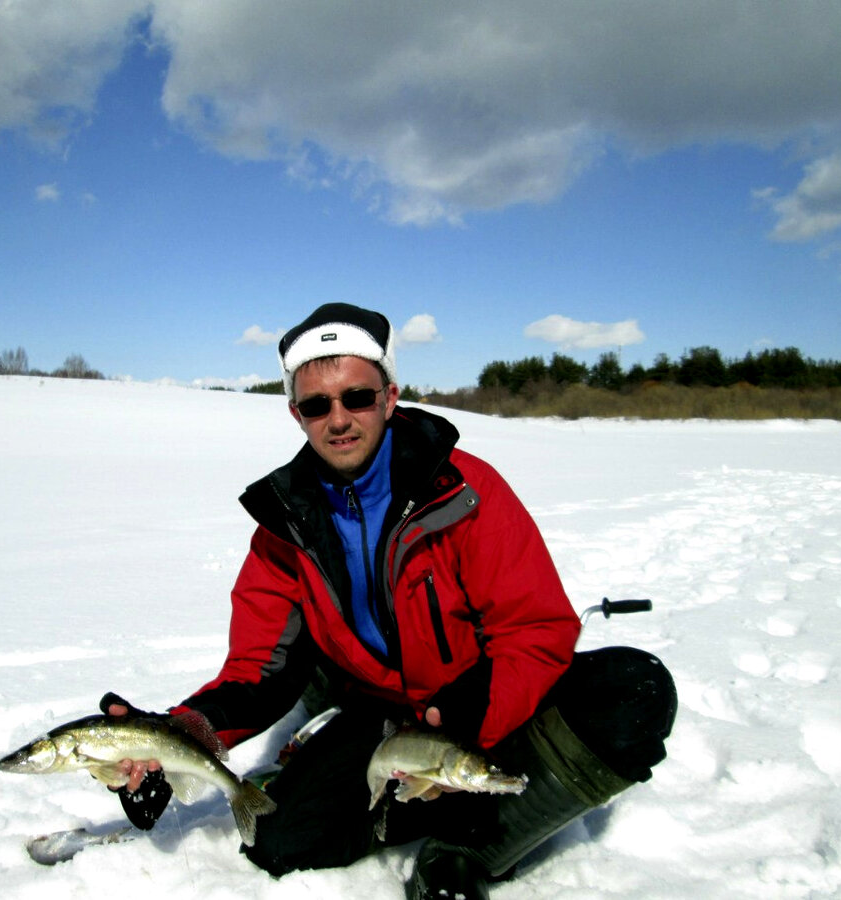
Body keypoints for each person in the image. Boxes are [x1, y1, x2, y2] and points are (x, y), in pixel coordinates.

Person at [102, 303, 676, 899]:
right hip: (386, 722)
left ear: (390, 396)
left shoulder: (463, 490)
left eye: (356, 396)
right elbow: (260, 668)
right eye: (317, 404)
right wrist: (177, 735)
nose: (339, 419)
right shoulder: (285, 524)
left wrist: (475, 717)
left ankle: (469, 849)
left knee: (633, 690)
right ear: (296, 413)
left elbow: (534, 628)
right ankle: (426, 799)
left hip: (488, 705)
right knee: (278, 840)